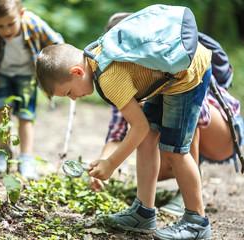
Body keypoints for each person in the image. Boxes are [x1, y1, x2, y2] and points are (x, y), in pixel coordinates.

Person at [35, 16, 213, 239]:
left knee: (174, 150)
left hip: (187, 74)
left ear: (77, 72)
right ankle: (144, 212)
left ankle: (197, 221)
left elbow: (140, 127)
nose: (73, 99)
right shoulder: (96, 55)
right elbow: (143, 132)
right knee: (148, 142)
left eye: (69, 92)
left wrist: (111, 163)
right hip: (166, 78)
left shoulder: (109, 78)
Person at [89, 12, 244, 217]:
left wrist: (148, 107)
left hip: (220, 133)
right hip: (184, 137)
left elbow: (199, 114)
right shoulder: (118, 78)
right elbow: (117, 133)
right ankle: (145, 209)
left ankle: (187, 199)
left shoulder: (166, 58)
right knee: (152, 162)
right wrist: (102, 165)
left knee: (181, 118)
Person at [0, 0, 64, 178]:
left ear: (21, 14)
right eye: (0, 25)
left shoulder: (34, 24)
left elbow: (58, 45)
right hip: (1, 74)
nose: (6, 30)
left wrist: (55, 75)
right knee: (1, 109)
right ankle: (3, 154)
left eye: (11, 24)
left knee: (26, 114)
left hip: (28, 74)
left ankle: (26, 159)